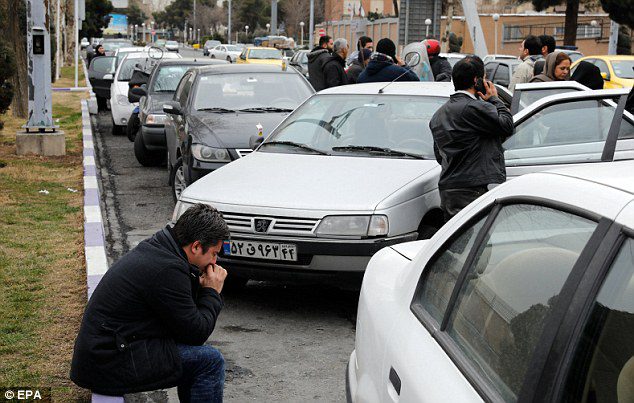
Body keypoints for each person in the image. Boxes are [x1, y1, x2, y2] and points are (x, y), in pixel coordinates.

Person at [70, 204, 230, 402]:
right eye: (214, 253)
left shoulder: (163, 248)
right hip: (107, 362)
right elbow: (196, 333)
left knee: (195, 357)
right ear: (196, 246)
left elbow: (183, 323)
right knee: (209, 361)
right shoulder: (168, 269)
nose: (215, 262)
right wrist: (211, 292)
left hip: (107, 351)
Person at [430, 56, 514, 221]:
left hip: (449, 189)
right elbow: (507, 124)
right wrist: (494, 99)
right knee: (476, 241)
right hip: (472, 189)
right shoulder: (475, 107)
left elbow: (440, 155)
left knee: (457, 241)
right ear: (476, 80)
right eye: (483, 78)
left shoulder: (438, 115)